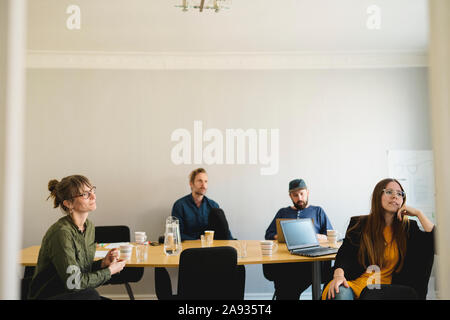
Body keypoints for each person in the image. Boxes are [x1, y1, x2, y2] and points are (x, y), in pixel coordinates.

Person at [322, 178, 435, 300]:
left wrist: (419, 213)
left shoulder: (409, 228)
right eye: (389, 192)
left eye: (399, 193)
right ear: (378, 196)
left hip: (385, 291)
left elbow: (437, 243)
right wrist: (338, 276)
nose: (395, 196)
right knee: (339, 293)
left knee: (370, 295)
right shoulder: (360, 224)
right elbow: (345, 255)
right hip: (353, 283)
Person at [28, 175, 126, 300]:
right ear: (68, 203)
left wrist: (102, 263)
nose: (93, 197)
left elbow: (79, 269)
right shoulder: (61, 233)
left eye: (92, 191)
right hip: (51, 295)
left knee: (94, 296)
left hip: (75, 293)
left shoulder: (89, 227)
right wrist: (109, 271)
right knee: (92, 295)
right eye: (85, 194)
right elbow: (74, 283)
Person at [264, 179, 334, 300]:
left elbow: (330, 235)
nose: (299, 197)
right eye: (295, 195)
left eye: (302, 193)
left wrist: (317, 236)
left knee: (287, 285)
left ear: (307, 192)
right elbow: (269, 234)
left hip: (310, 263)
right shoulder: (283, 212)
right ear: (290, 196)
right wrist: (284, 236)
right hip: (287, 261)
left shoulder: (318, 211)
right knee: (285, 282)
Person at [172, 168, 234, 241]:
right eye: (200, 181)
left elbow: (223, 230)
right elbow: (176, 234)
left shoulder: (213, 205)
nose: (203, 185)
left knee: (218, 212)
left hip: (211, 247)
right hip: (189, 247)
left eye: (206, 181)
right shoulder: (180, 205)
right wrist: (196, 241)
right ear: (191, 183)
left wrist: (232, 242)